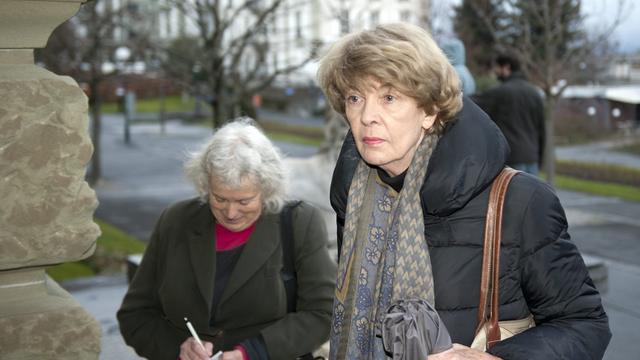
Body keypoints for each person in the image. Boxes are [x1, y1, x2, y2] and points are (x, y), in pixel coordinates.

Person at [317, 23, 610, 359]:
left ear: (429, 111)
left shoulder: (520, 201)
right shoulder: (354, 200)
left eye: (389, 97)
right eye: (355, 98)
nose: (368, 116)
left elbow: (585, 323)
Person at [117, 118, 336, 360]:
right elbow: (135, 316)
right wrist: (177, 349)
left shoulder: (299, 222)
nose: (231, 213)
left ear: (268, 188)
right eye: (219, 199)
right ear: (205, 184)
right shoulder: (176, 220)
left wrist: (252, 352)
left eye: (244, 201)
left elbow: (322, 313)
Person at [473, 53, 545, 175]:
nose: (495, 72)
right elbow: (541, 130)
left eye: (497, 68)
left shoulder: (501, 93)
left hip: (512, 158)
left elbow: (472, 103)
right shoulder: (535, 93)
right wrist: (540, 158)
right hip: (532, 158)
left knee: (510, 194)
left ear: (506, 67)